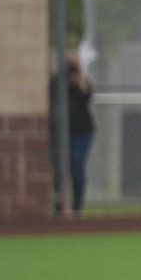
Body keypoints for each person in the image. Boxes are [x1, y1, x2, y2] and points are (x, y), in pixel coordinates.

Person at [48, 52, 95, 217]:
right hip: (61, 133)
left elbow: (87, 95)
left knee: (76, 164)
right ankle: (60, 204)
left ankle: (77, 206)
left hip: (82, 132)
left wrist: (80, 76)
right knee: (60, 168)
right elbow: (52, 97)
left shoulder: (82, 82)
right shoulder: (57, 81)